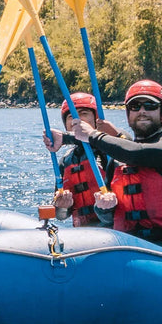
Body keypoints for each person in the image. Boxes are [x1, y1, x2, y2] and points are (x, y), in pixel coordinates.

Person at [45, 79, 162, 260]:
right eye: (135, 106)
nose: (142, 111)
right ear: (128, 114)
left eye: (150, 105)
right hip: (127, 249)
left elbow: (137, 153)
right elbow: (108, 220)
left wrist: (90, 135)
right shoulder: (117, 163)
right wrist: (104, 208)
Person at [50, 92, 120, 226]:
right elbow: (60, 215)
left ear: (95, 120)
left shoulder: (111, 151)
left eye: (84, 113)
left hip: (115, 231)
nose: (77, 120)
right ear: (66, 124)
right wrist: (63, 206)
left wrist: (107, 206)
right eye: (71, 116)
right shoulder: (66, 161)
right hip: (84, 235)